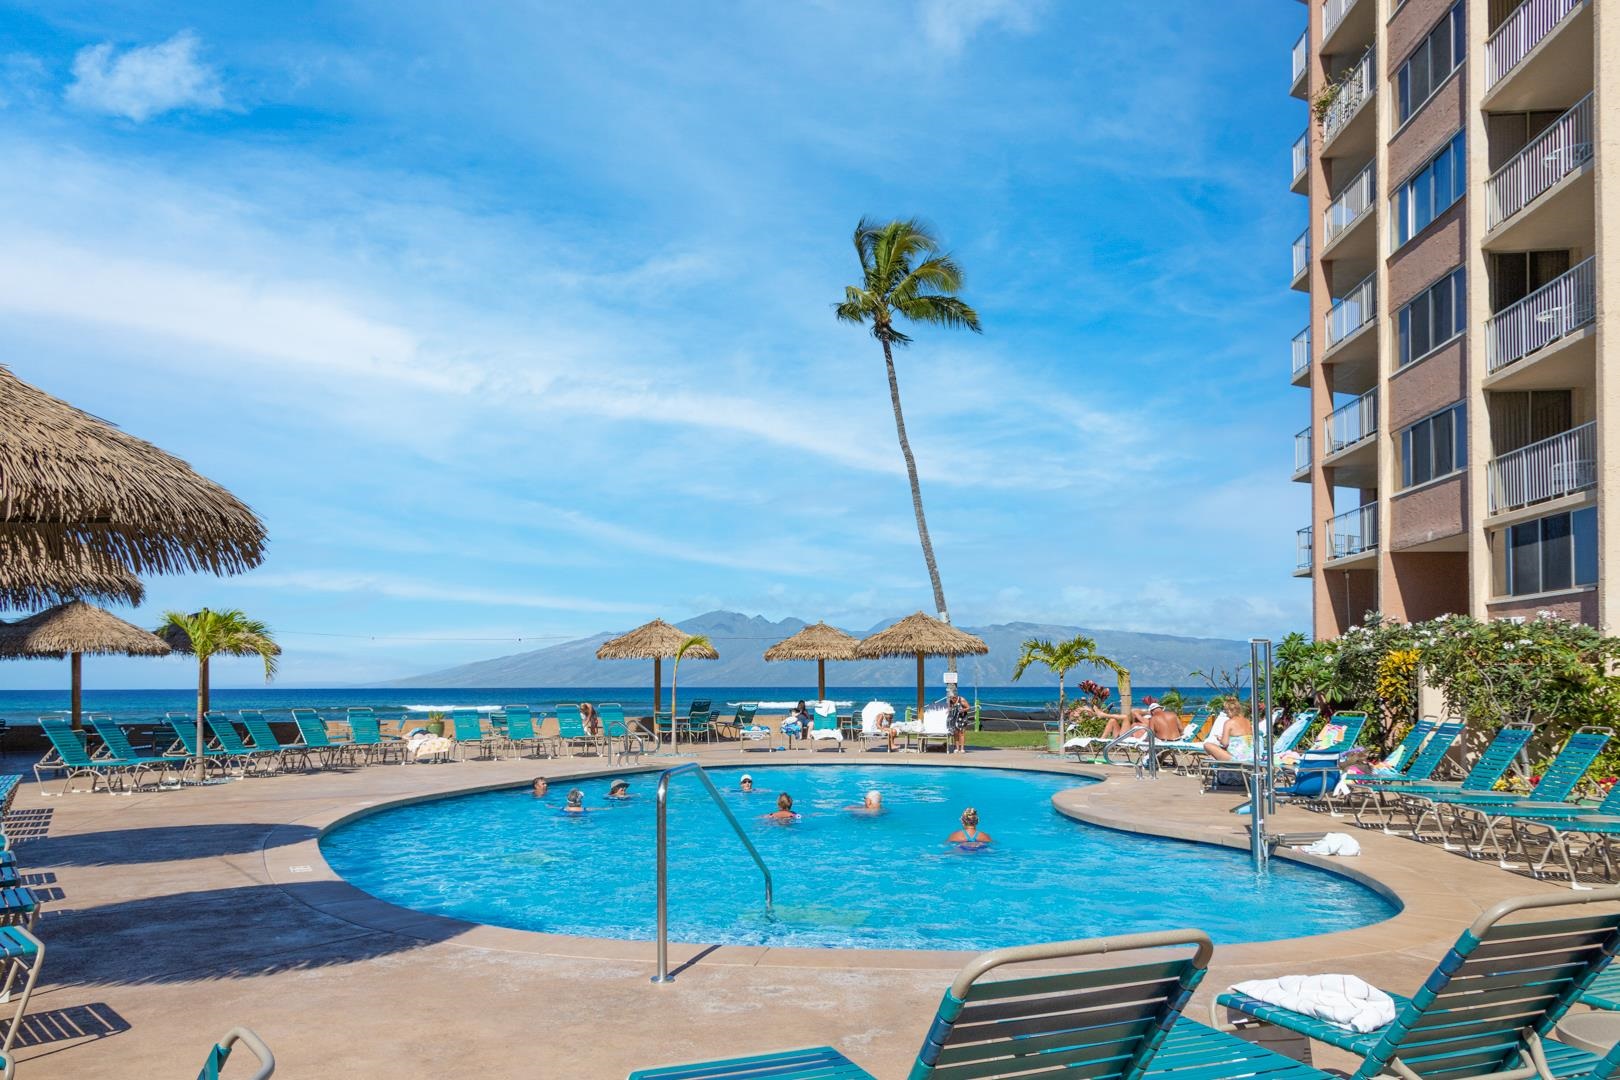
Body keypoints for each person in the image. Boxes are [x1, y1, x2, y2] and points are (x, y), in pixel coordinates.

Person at [1203, 697, 1254, 762]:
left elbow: (1225, 743)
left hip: (1237, 758)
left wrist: (1220, 739)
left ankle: (1215, 759)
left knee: (1207, 745)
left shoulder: (1229, 723)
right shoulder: (1247, 721)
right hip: (1251, 756)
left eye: (1225, 711)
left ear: (1229, 711)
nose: (1226, 714)